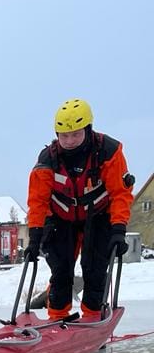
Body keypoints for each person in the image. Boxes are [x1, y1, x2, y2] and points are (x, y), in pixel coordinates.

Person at [25, 98, 134, 321]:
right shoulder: (47, 160)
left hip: (99, 216)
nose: (70, 141)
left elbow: (120, 194)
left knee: (94, 269)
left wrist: (118, 230)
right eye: (64, 136)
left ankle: (93, 317)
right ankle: (56, 318)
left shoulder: (108, 152)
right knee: (61, 270)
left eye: (76, 134)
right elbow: (37, 201)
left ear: (88, 129)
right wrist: (34, 238)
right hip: (61, 219)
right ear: (57, 135)